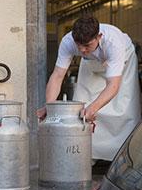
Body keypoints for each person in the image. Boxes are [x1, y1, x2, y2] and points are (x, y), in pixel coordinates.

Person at [37, 16, 141, 161]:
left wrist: (92, 109)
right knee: (82, 103)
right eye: (78, 46)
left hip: (123, 61)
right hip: (92, 63)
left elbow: (113, 85)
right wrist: (50, 106)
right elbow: (57, 75)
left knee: (122, 107)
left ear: (99, 37)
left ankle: (120, 160)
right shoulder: (68, 42)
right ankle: (86, 158)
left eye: (87, 45)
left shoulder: (114, 43)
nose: (82, 50)